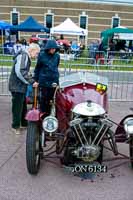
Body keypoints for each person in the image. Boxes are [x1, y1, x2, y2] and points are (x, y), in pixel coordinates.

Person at [9, 43, 40, 134]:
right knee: (17, 107)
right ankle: (15, 126)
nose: (37, 55)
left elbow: (21, 71)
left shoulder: (24, 56)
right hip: (17, 86)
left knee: (22, 106)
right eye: (36, 53)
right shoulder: (24, 56)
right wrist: (31, 82)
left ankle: (23, 123)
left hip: (18, 86)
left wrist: (29, 78)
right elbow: (20, 72)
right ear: (32, 50)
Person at [33, 39, 60, 116]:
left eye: (54, 49)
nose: (53, 50)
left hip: (54, 81)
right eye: (52, 48)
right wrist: (36, 80)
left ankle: (52, 115)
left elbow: (56, 66)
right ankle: (43, 115)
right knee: (44, 99)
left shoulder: (57, 56)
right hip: (44, 81)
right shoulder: (41, 55)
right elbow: (37, 68)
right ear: (48, 48)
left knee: (53, 99)